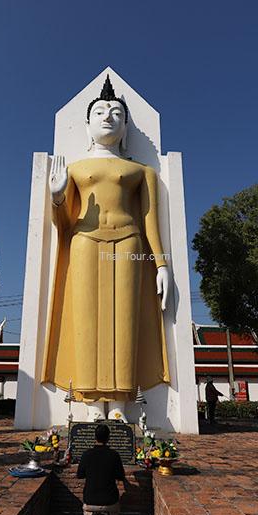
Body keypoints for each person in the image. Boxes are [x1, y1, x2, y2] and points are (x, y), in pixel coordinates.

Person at [43, 76, 172, 423]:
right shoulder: (74, 169)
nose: (108, 117)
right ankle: (90, 402)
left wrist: (161, 265)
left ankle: (119, 402)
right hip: (85, 241)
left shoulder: (141, 171)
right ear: (87, 125)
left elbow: (149, 222)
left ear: (126, 124)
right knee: (87, 319)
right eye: (100, 111)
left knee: (124, 319)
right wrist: (57, 196)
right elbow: (64, 223)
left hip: (128, 243)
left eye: (116, 112)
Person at [77, 424, 125, 515]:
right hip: (110, 501)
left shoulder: (86, 454)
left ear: (95, 437)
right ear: (108, 438)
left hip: (90, 500)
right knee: (115, 510)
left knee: (88, 510)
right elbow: (121, 476)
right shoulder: (114, 455)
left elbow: (79, 475)